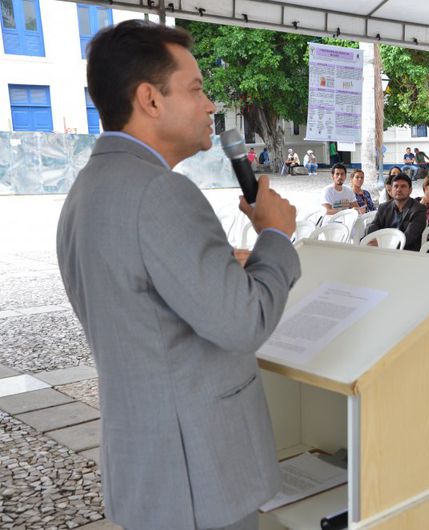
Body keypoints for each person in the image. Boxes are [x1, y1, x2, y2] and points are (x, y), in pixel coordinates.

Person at [56, 20, 300, 530]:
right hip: (197, 474)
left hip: (150, 461)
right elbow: (243, 321)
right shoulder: (162, 193)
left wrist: (223, 269)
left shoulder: (88, 188)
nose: (210, 104)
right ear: (150, 99)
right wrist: (275, 236)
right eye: (195, 88)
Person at [366, 173, 427, 251]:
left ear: (410, 190)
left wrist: (383, 245)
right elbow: (374, 224)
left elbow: (409, 238)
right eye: (396, 186)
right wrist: (372, 238)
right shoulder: (384, 207)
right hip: (382, 250)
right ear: (391, 190)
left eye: (403, 186)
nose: (398, 189)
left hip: (406, 253)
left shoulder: (419, 209)